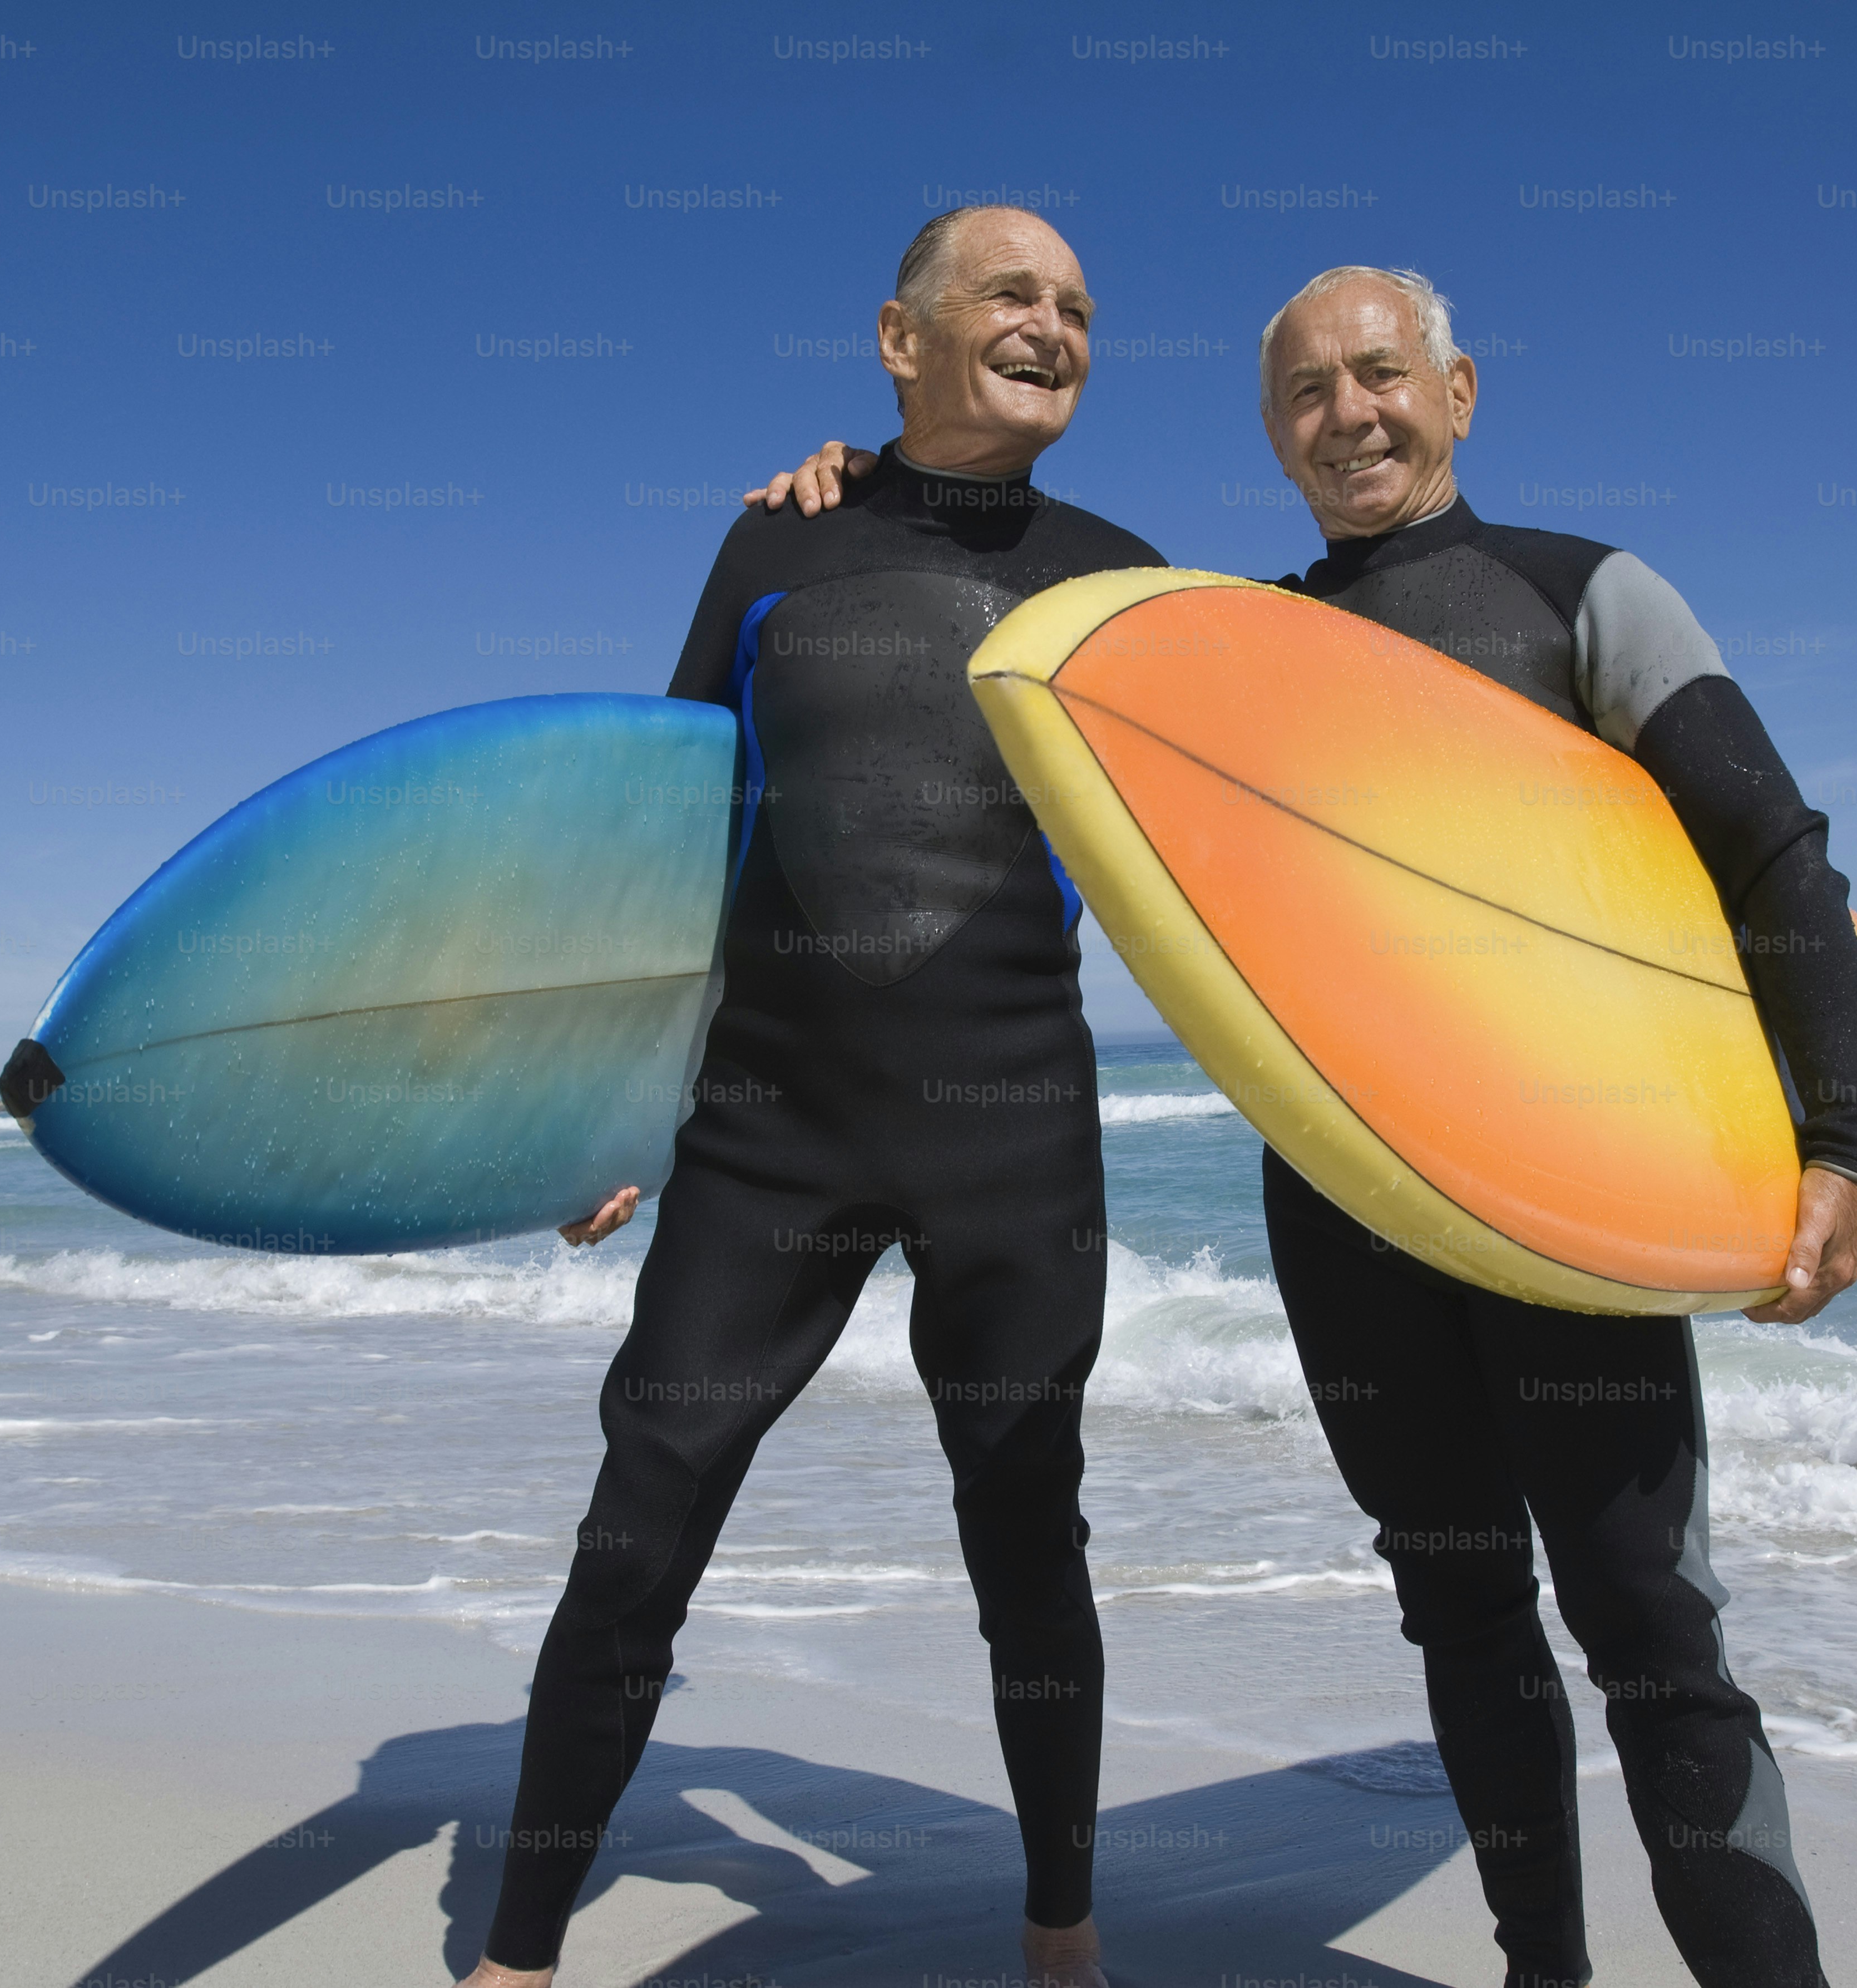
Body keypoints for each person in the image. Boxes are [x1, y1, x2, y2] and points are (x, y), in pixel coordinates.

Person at [749, 265, 1857, 1988]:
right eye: (1303, 395)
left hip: (1568, 1199)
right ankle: (1541, 1974)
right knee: (1457, 1610)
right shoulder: (1237, 646)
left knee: (1649, 1625)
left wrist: (1843, 1138)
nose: (1348, 415)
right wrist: (847, 482)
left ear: (1460, 390)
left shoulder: (1575, 591)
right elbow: (1008, 653)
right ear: (1271, 434)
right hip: (1347, 1211)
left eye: (1378, 376)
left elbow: (1771, 854)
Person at [462, 206, 1159, 1988]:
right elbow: (673, 823)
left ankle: (1062, 1934)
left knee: (1026, 1525)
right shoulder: (773, 536)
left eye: (1077, 307)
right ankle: (521, 1955)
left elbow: (1237, 859)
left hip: (1011, 1122)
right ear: (896, 334)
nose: (1052, 325)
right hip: (766, 1126)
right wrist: (609, 1095)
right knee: (641, 1521)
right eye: (1012, 294)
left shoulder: (1125, 578)